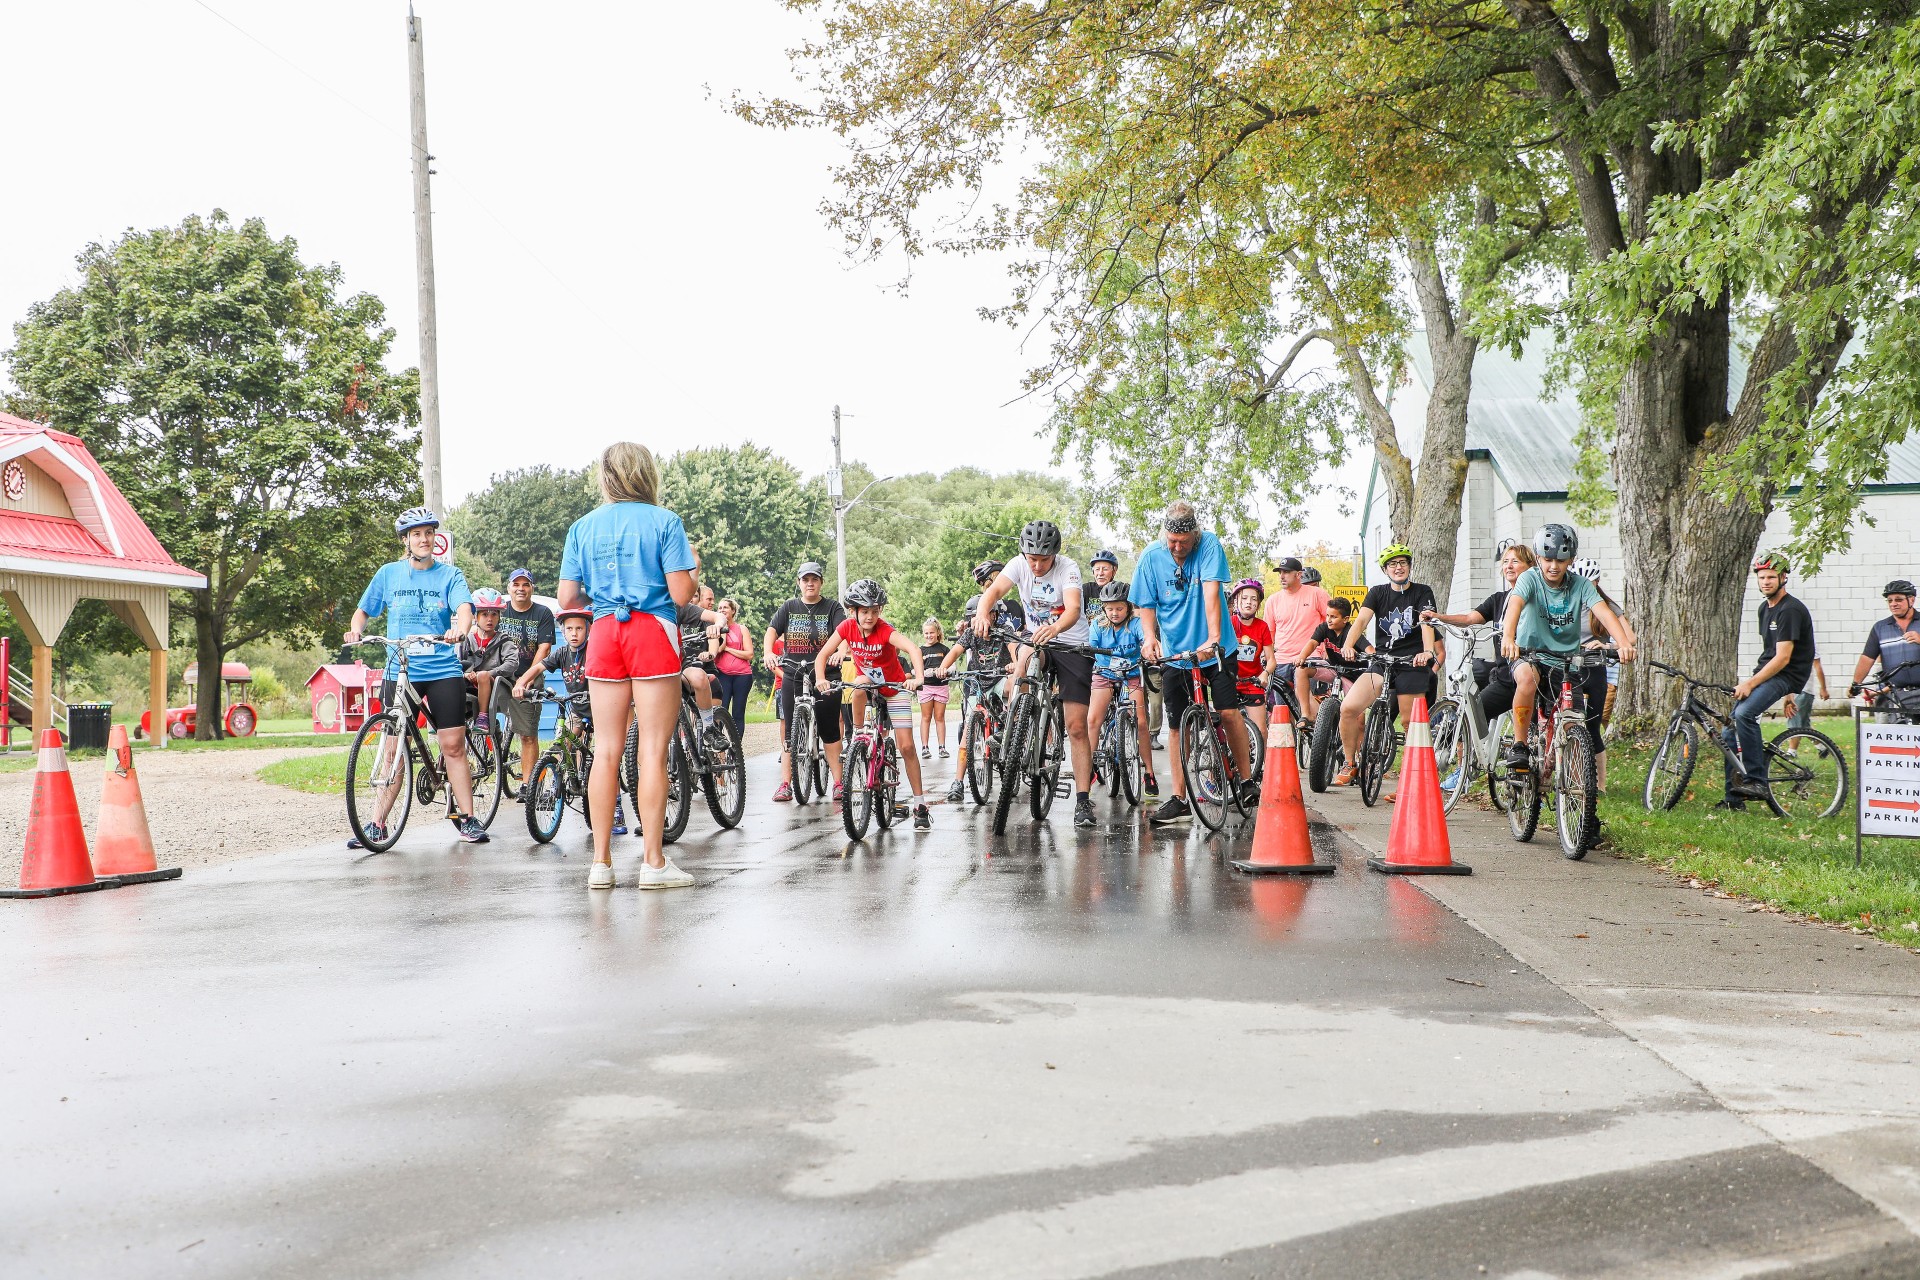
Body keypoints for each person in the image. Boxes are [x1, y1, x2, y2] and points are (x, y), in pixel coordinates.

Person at [556, 441, 697, 891]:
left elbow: (567, 597)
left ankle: (601, 863)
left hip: (603, 632)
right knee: (652, 750)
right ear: (646, 474)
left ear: (606, 476)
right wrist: (693, 571)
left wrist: (602, 595)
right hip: (651, 630)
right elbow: (681, 595)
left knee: (606, 750)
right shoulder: (665, 521)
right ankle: (653, 863)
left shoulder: (582, 526)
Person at [342, 507, 486, 844]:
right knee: (394, 749)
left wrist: (460, 630)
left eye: (428, 533)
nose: (424, 539)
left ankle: (468, 818)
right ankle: (377, 824)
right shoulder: (389, 574)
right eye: (416, 534)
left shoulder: (450, 575)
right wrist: (356, 630)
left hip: (441, 669)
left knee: (452, 745)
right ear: (406, 540)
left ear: (435, 538)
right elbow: (362, 611)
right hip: (400, 669)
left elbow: (464, 609)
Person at [1131, 501, 1253, 823]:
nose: (1177, 547)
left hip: (1216, 649)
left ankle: (1246, 781)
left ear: (1194, 536)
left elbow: (1212, 594)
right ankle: (1179, 798)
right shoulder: (1150, 556)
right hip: (1177, 654)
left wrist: (1213, 638)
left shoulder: (1209, 544)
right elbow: (1146, 605)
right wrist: (1149, 638)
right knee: (1176, 726)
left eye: (1183, 542)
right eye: (1172, 541)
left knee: (1227, 711)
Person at [974, 520, 1100, 827]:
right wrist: (981, 612)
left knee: (1076, 727)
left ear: (1054, 555)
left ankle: (1083, 800)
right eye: (1033, 559)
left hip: (1071, 643)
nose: (1037, 566)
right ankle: (1014, 722)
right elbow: (994, 591)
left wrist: (1054, 628)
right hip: (1037, 640)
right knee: (1026, 655)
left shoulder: (1068, 569)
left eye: (1044, 560)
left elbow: (1073, 608)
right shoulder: (1018, 564)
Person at [1498, 524, 1635, 779]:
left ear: (1571, 560)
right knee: (1527, 679)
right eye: (1548, 559)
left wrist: (1623, 642)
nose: (1554, 566)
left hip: (1565, 661)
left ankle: (1577, 789)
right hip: (1530, 654)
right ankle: (1520, 746)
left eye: (1561, 560)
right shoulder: (1530, 579)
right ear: (1538, 558)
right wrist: (1508, 637)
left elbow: (1603, 612)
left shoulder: (1581, 585)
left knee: (1574, 720)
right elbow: (1515, 604)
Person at [815, 578, 932, 829]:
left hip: (894, 688)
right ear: (853, 611)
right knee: (858, 683)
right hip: (868, 684)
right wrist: (821, 679)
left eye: (875, 611)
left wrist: (918, 678)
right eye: (865, 611)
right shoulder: (847, 627)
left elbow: (913, 649)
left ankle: (920, 804)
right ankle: (858, 735)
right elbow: (823, 654)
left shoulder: (885, 630)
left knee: (907, 746)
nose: (870, 617)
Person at [1715, 551, 1813, 804]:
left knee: (1745, 715)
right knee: (1730, 729)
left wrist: (1750, 683)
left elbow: (1783, 658)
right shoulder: (1764, 609)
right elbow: (1770, 652)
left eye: (1771, 577)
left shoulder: (1790, 610)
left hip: (1786, 674)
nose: (1766, 582)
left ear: (1783, 578)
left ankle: (1757, 780)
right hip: (1771, 672)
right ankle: (1733, 799)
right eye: (1762, 577)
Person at [1337, 544, 1437, 788]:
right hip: (1383, 661)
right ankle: (1350, 763)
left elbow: (1426, 623)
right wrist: (1348, 645)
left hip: (1412, 662)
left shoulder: (1422, 592)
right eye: (1392, 564)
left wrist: (1427, 651)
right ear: (1385, 570)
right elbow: (1361, 620)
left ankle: (1412, 782)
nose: (1398, 567)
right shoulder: (1377, 592)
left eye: (1402, 562)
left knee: (1410, 723)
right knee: (1348, 708)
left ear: (1409, 566)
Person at [530, 606, 631, 834]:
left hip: (600, 710)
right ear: (563, 631)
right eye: (569, 629)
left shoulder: (595, 649)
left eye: (579, 628)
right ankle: (555, 782)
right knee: (563, 742)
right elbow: (539, 667)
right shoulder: (561, 653)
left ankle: (616, 809)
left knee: (607, 758)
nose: (574, 633)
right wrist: (521, 683)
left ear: (588, 629)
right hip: (576, 709)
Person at [939, 560, 1023, 803]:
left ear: (994, 615)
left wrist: (1015, 664)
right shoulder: (969, 634)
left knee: (1013, 685)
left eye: (986, 615)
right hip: (977, 682)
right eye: (975, 618)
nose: (980, 623)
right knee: (967, 733)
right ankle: (958, 782)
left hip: (999, 679)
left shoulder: (1004, 629)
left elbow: (1015, 651)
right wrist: (944, 668)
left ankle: (1009, 725)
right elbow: (954, 652)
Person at [766, 563, 848, 802]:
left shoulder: (832, 607)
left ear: (821, 582)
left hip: (826, 673)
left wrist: (840, 652)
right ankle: (785, 784)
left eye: (814, 579)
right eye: (805, 579)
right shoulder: (789, 607)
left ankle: (838, 783)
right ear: (799, 582)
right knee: (790, 732)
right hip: (794, 671)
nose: (810, 583)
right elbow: (771, 631)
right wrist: (768, 652)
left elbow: (844, 633)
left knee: (830, 728)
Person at [1087, 578, 1158, 798]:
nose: (1114, 613)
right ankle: (1088, 767)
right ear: (1104, 609)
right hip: (1105, 673)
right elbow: (1093, 648)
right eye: (1110, 609)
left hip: (1132, 674)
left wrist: (1148, 651)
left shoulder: (1136, 623)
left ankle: (1149, 772)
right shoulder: (1098, 624)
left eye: (1119, 608)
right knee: (1093, 720)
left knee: (1141, 721)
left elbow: (1145, 640)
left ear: (1128, 607)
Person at [496, 568, 556, 792]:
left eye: (525, 584)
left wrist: (527, 677)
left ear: (532, 588)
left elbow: (544, 648)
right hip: (500, 674)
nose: (520, 589)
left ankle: (529, 786)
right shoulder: (499, 611)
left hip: (528, 675)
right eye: (516, 584)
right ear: (508, 588)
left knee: (528, 735)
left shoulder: (542, 613)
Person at [1571, 557, 1623, 789]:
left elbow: (1629, 639)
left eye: (1589, 582)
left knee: (1593, 728)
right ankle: (1574, 781)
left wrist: (1606, 645)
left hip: (1595, 670)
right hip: (1570, 670)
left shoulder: (1606, 606)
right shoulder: (1566, 603)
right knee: (1570, 725)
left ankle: (1600, 785)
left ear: (1597, 582)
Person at [1261, 556, 1330, 721]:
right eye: (1280, 572)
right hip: (1281, 660)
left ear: (1298, 574)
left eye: (1286, 572)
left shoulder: (1317, 594)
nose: (1282, 576)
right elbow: (1268, 634)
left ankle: (1319, 731)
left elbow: (1332, 623)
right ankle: (1290, 737)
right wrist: (1267, 657)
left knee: (1305, 700)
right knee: (1283, 710)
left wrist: (1326, 648)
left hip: (1309, 657)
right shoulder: (1273, 600)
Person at [1851, 580, 1920, 719]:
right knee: (1896, 731)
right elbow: (1867, 658)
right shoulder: (1880, 628)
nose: (1893, 604)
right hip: (1896, 696)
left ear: (1911, 600)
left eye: (1898, 600)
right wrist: (1855, 684)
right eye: (1890, 600)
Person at [457, 587, 519, 737]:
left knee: (483, 675)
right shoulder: (467, 640)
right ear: (475, 616)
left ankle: (483, 717)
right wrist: (466, 674)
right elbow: (457, 662)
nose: (489, 619)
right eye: (484, 614)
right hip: (470, 685)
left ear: (499, 617)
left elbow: (512, 663)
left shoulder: (504, 640)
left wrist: (488, 673)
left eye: (494, 614)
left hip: (497, 685)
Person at [1296, 595, 1370, 717]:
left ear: (1345, 619)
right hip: (1333, 669)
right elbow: (1312, 643)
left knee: (1359, 718)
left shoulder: (1352, 632)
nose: (1329, 620)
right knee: (1302, 669)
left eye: (1333, 617)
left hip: (1352, 676)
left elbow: (1370, 650)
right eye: (1327, 616)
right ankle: (1306, 715)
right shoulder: (1324, 628)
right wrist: (1302, 656)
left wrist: (1367, 656)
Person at [1229, 578, 1273, 740]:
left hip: (1252, 682)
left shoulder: (1262, 626)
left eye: (1254, 599)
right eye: (1245, 598)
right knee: (1228, 726)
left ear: (1259, 605)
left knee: (1261, 730)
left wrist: (1265, 674)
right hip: (1230, 681)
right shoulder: (1229, 623)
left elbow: (1271, 659)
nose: (1249, 602)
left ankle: (1263, 757)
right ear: (1236, 601)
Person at [712, 598, 755, 746]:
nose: (722, 610)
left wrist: (729, 649)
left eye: (725, 607)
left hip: (742, 676)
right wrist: (722, 632)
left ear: (733, 611)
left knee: (738, 712)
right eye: (719, 608)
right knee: (720, 711)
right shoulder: (715, 629)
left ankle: (736, 748)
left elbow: (749, 654)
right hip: (723, 674)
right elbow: (718, 650)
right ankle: (720, 748)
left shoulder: (741, 629)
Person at [917, 618, 952, 760]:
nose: (929, 635)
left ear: (937, 632)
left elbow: (952, 664)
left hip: (941, 686)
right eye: (926, 633)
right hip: (926, 686)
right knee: (926, 717)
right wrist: (924, 673)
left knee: (940, 717)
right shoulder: (920, 650)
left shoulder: (944, 649)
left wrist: (946, 671)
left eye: (931, 632)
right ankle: (925, 747)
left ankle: (942, 747)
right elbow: (915, 669)